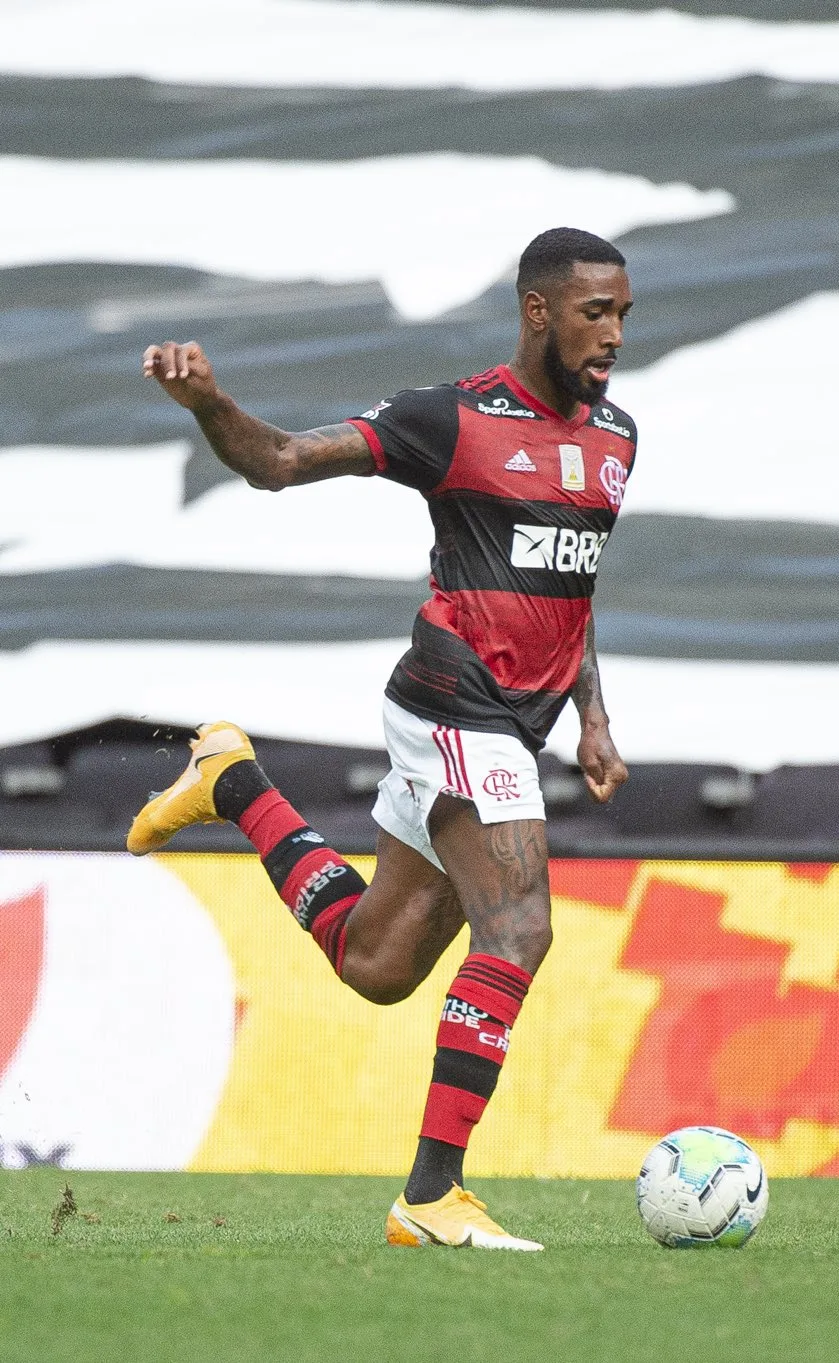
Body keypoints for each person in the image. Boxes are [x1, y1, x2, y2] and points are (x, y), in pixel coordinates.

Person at [128, 227, 640, 1251]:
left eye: (624, 313)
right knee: (521, 927)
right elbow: (277, 461)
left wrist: (592, 714)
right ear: (539, 311)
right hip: (455, 702)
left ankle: (234, 782)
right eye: (596, 311)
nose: (614, 334)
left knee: (377, 965)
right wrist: (208, 408)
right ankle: (432, 1194)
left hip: (519, 725)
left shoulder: (617, 434)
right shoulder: (447, 419)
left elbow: (568, 586)